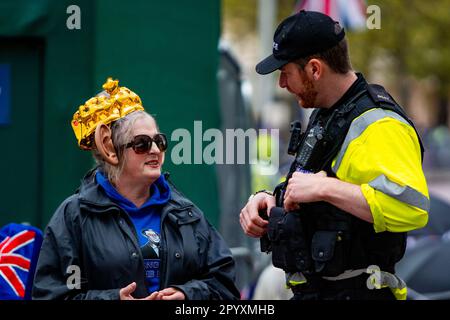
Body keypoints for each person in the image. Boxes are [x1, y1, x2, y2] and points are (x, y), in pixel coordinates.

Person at [239, 10, 429, 300]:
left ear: (315, 69)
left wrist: (325, 188)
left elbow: (411, 208)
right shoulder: (327, 115)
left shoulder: (379, 124)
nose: (282, 84)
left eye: (285, 72)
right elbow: (305, 188)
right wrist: (268, 200)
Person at [32, 78, 240, 300]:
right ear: (111, 151)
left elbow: (224, 286)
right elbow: (51, 295)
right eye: (141, 143)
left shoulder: (186, 214)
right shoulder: (75, 216)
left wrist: (186, 295)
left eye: (159, 141)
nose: (154, 150)